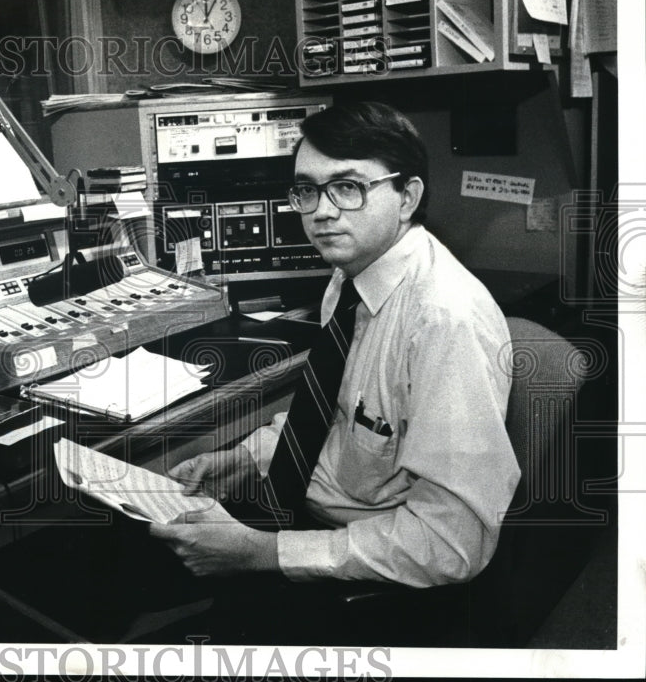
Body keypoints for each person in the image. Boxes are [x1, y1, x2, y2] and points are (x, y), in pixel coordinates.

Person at [149, 102, 521, 603]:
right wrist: (245, 458)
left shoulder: (443, 321)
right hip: (309, 510)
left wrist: (264, 553)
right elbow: (344, 419)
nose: (322, 211)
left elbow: (453, 542)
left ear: (407, 196)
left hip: (373, 573)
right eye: (307, 189)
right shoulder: (352, 276)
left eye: (348, 187)